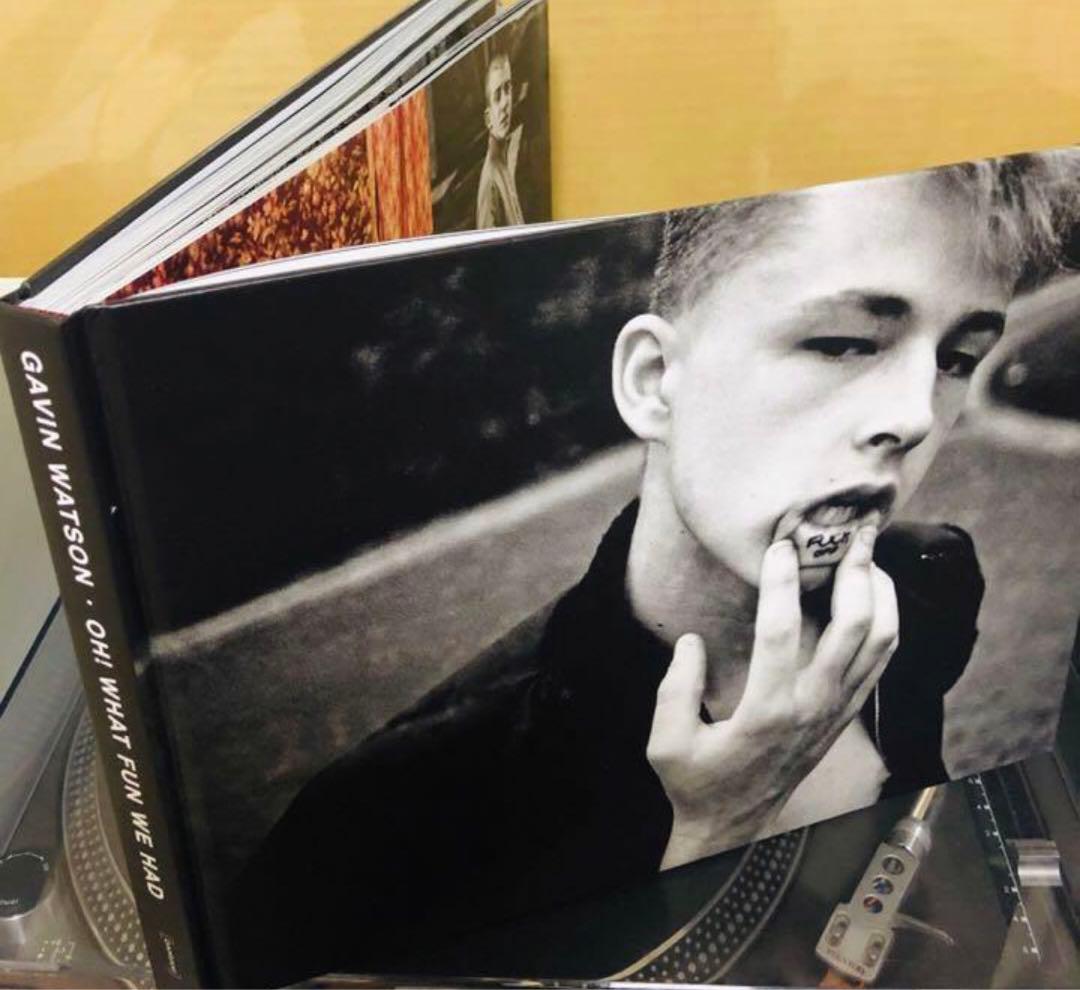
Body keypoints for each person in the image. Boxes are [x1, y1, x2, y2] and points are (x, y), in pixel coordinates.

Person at [228, 152, 1080, 986]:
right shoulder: (389, 816)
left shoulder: (925, 584)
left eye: (957, 359)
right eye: (844, 342)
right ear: (653, 381)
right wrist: (714, 837)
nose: (915, 415)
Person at [476, 51, 525, 228]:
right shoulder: (491, 178)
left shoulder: (504, 161)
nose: (505, 102)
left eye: (508, 88)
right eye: (497, 96)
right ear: (488, 119)